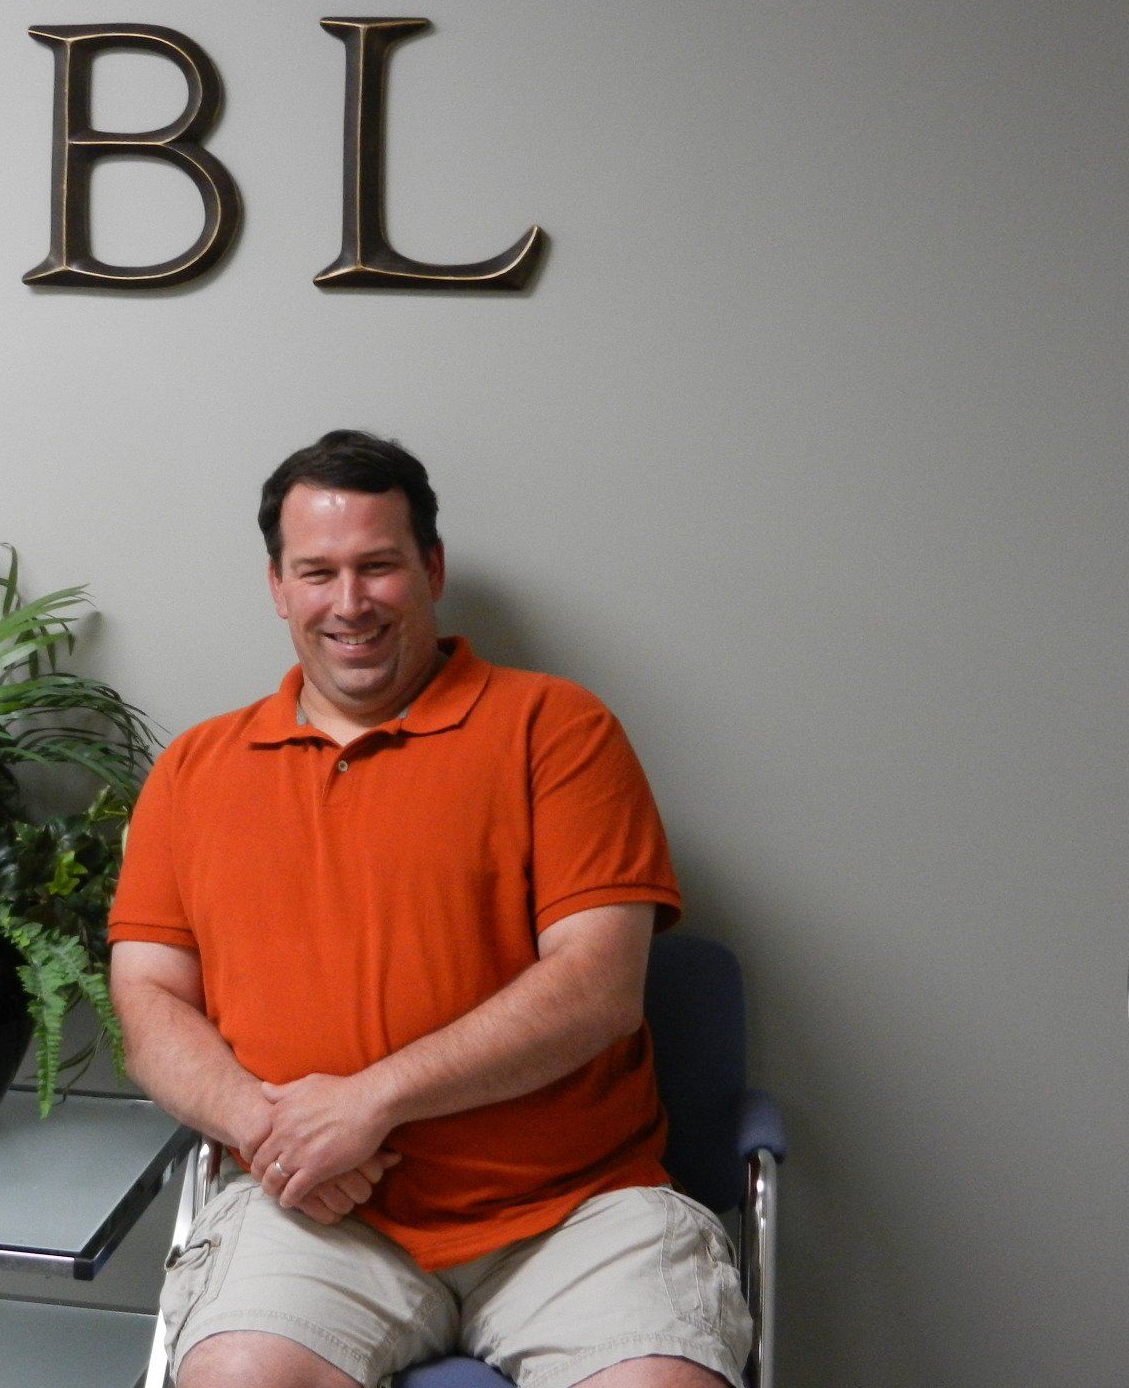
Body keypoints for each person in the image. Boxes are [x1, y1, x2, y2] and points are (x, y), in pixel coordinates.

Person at [107, 430, 752, 1388]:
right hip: (313, 1212)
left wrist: (367, 1104)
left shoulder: (557, 729)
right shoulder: (196, 770)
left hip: (574, 1210)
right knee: (236, 1377)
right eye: (317, 572)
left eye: (379, 566)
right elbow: (149, 1001)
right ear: (278, 587)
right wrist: (267, 1128)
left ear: (432, 568)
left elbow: (599, 987)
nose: (349, 602)